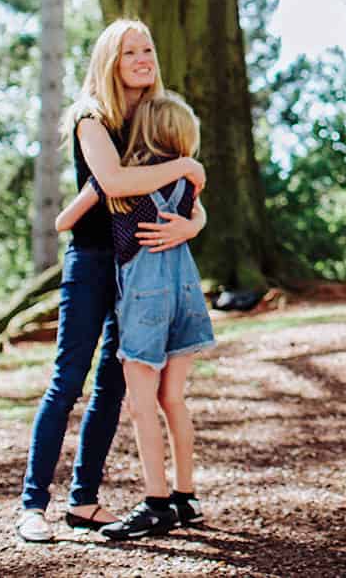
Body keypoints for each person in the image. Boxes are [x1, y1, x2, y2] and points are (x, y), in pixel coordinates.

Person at [16, 20, 206, 543]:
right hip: (95, 263)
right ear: (110, 61)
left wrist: (191, 224)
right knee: (68, 380)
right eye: (130, 52)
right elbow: (116, 182)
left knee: (113, 387)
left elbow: (192, 203)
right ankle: (33, 506)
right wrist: (186, 165)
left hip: (142, 271)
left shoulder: (155, 118)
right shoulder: (91, 118)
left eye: (148, 48)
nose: (143, 58)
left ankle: (84, 501)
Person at [55, 91, 215, 541]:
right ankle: (187, 497)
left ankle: (155, 502)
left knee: (142, 404)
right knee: (174, 400)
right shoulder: (189, 188)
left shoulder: (126, 189)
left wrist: (95, 186)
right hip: (186, 299)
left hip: (146, 302)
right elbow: (195, 215)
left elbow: (65, 222)